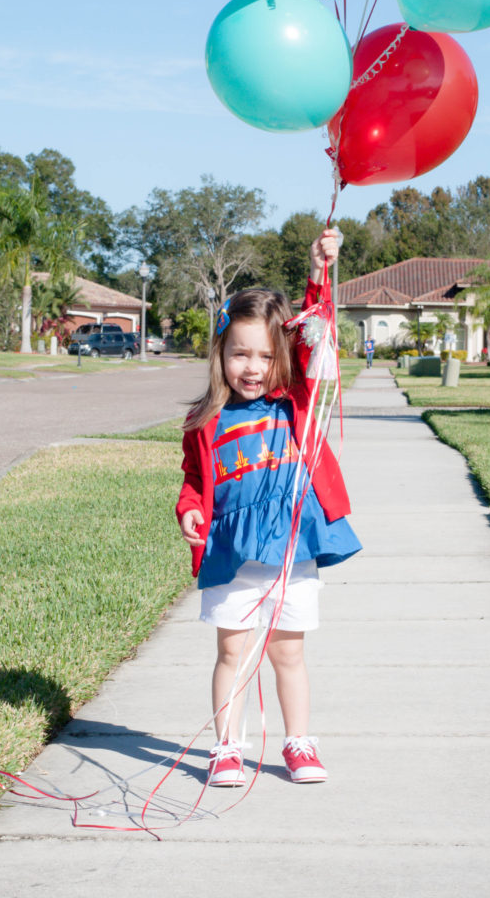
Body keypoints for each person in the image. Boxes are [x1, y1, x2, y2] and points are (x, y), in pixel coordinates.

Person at [176, 229, 361, 788]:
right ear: (220, 353)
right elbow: (191, 479)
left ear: (282, 356)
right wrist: (188, 508)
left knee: (288, 654)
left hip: (290, 554)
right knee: (231, 651)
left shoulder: (297, 400)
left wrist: (320, 270)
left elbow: (314, 326)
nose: (252, 367)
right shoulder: (204, 420)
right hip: (232, 552)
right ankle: (227, 747)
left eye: (264, 355)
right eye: (239, 353)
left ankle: (298, 742)